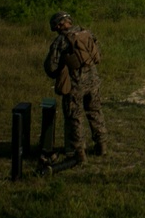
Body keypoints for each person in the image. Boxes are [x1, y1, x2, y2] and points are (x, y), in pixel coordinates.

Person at [43, 11, 107, 162]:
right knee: (95, 113)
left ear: (58, 25)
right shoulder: (87, 33)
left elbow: (51, 67)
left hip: (75, 86)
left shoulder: (60, 41)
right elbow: (98, 54)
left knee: (75, 117)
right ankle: (102, 146)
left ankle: (79, 153)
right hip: (94, 82)